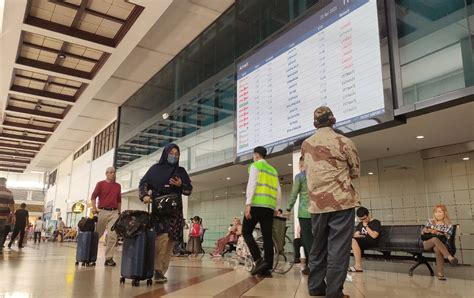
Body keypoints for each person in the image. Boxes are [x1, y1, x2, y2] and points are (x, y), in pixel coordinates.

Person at [302, 106, 360, 298]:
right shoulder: (344, 141)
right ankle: (334, 292)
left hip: (317, 206)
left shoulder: (306, 144)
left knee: (318, 247)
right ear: (333, 120)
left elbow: (306, 169)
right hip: (341, 204)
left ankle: (316, 288)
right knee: (338, 249)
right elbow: (355, 172)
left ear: (314, 124)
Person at [140, 143, 193, 283]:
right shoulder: (154, 170)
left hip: (175, 212)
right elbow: (143, 183)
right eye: (171, 153)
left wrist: (180, 185)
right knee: (161, 239)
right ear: (165, 153)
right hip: (159, 211)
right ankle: (156, 270)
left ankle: (161, 271)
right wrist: (145, 196)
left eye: (177, 154)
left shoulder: (180, 171)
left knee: (170, 242)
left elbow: (188, 190)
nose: (174, 156)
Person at [242, 146, 282, 277]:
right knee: (267, 236)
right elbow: (278, 190)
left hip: (256, 204)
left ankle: (258, 260)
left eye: (253, 155)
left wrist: (248, 203)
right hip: (269, 207)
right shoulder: (273, 170)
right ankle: (267, 267)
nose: (253, 158)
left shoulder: (255, 166)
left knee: (246, 231)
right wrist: (277, 207)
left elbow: (252, 184)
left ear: (256, 155)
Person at [285, 156, 313, 275]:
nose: (300, 168)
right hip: (318, 213)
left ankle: (312, 266)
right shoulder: (317, 175)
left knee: (307, 241)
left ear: (303, 164)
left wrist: (288, 209)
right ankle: (310, 265)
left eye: (300, 165)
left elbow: (294, 194)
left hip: (305, 213)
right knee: (315, 239)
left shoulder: (300, 176)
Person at [90, 167, 122, 266]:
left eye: (114, 172)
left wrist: (119, 212)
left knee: (113, 235)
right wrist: (94, 208)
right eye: (111, 172)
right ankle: (91, 257)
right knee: (98, 235)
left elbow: (119, 200)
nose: (113, 174)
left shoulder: (118, 186)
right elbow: (93, 197)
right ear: (106, 173)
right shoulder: (100, 184)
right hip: (102, 211)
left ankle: (109, 258)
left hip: (114, 212)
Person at [421, 204, 458, 280]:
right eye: (436, 212)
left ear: (444, 213)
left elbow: (447, 237)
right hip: (428, 243)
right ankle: (449, 257)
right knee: (434, 239)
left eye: (440, 212)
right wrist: (427, 231)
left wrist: (436, 232)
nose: (437, 214)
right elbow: (423, 233)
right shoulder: (430, 221)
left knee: (437, 249)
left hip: (442, 244)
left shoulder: (448, 225)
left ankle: (440, 274)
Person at [349, 207, 381, 272]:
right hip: (362, 241)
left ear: (368, 214)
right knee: (349, 241)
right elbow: (356, 234)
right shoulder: (361, 224)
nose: (364, 220)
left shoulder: (376, 222)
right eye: (361, 219)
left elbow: (374, 236)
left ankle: (358, 265)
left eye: (365, 218)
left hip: (372, 241)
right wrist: (356, 235)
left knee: (352, 241)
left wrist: (366, 226)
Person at [0, 178, 14, 252]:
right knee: (2, 232)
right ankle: (0, 249)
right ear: (5, 183)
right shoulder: (9, 192)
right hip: (4, 216)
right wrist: (13, 215)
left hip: (4, 216)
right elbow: (11, 205)